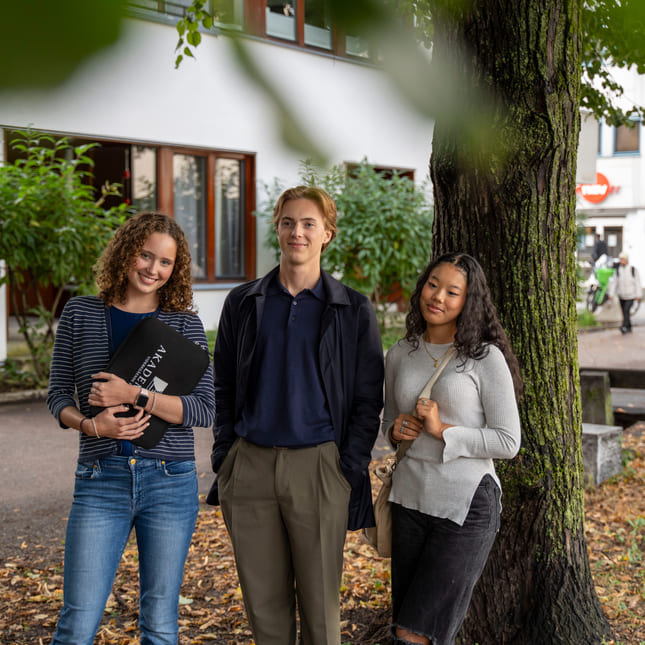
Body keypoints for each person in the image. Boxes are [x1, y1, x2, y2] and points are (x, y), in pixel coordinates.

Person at [208, 185, 384, 645]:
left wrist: (347, 468)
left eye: (309, 224)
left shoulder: (353, 309)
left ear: (327, 233)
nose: (297, 232)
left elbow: (369, 399)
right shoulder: (243, 302)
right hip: (248, 466)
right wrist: (226, 455)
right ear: (277, 228)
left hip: (320, 468)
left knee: (321, 612)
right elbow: (223, 383)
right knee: (264, 609)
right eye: (288, 222)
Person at [46, 211, 215, 645]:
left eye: (165, 263)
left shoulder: (184, 324)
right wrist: (91, 425)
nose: (153, 269)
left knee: (160, 623)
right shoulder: (81, 314)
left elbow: (203, 408)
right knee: (78, 622)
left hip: (170, 482)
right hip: (101, 481)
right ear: (126, 253)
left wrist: (133, 395)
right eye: (145, 255)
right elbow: (58, 395)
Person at [382, 252, 522, 645]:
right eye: (433, 284)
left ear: (468, 301)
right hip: (410, 500)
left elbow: (509, 441)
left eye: (452, 291)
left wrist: (444, 429)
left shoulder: (483, 358)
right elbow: (387, 424)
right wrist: (396, 431)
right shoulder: (400, 353)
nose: (438, 297)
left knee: (416, 633)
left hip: (466, 505)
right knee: (406, 625)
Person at [609, 251, 642, 333]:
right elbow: (614, 283)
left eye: (623, 259)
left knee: (626, 310)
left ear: (627, 260)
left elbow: (638, 283)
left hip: (631, 295)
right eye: (620, 259)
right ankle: (629, 326)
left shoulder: (632, 270)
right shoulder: (617, 271)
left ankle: (624, 327)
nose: (621, 261)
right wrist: (611, 294)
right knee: (624, 312)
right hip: (621, 295)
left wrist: (638, 295)